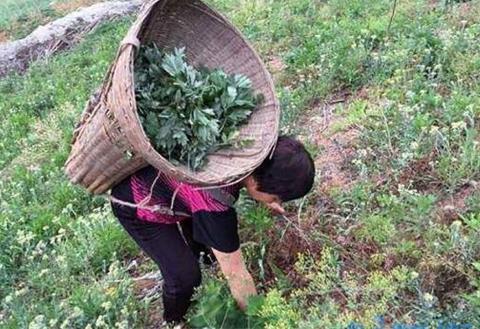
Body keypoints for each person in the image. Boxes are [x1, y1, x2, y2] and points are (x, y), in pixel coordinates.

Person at [110, 135, 315, 326]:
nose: (276, 203)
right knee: (185, 277)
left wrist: (266, 196)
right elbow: (236, 274)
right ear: (255, 181)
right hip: (137, 205)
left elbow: (256, 184)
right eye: (277, 198)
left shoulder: (239, 152)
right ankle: (173, 320)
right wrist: (261, 321)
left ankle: (202, 260)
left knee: (206, 251)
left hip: (176, 191)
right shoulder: (215, 204)